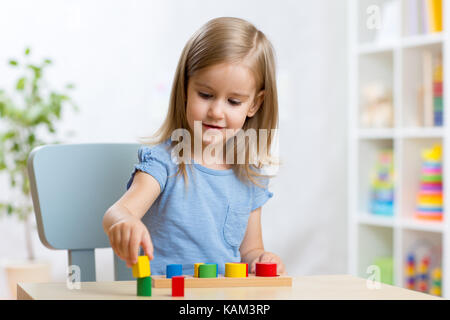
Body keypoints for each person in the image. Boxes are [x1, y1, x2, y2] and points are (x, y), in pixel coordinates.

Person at [102, 17, 285, 276]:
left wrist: (263, 258)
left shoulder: (250, 177)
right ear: (185, 88)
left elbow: (250, 251)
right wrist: (125, 221)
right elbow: (118, 211)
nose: (216, 112)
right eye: (206, 95)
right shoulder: (164, 163)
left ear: (254, 105)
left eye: (233, 101)